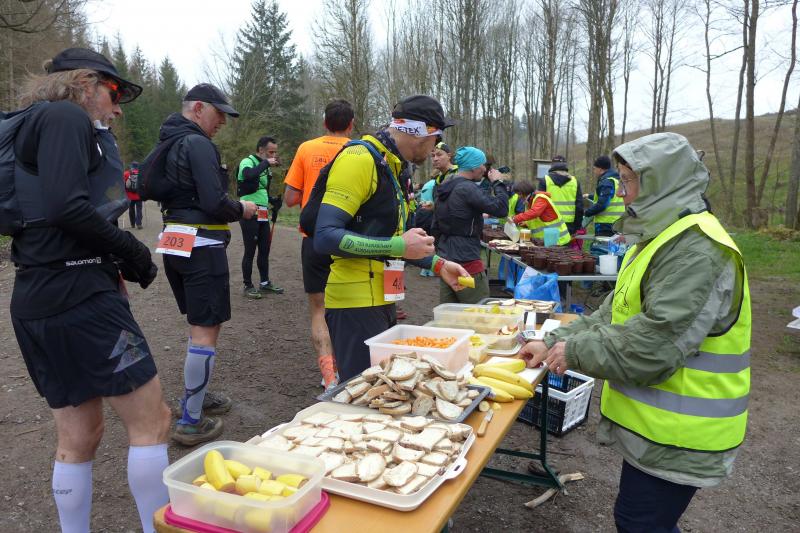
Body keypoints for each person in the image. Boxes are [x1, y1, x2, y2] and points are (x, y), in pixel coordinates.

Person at [520, 132, 751, 533]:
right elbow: (612, 314)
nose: (621, 191)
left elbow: (654, 347)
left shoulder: (696, 249)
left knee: (639, 524)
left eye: (628, 180)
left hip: (683, 434)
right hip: (658, 430)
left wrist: (573, 353)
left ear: (661, 182)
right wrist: (551, 341)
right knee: (642, 522)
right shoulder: (660, 238)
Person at [8, 48, 170, 533]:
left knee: (79, 434)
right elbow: (67, 208)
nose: (117, 108)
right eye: (113, 93)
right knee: (153, 422)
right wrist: (134, 252)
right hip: (83, 299)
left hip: (36, 297)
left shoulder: (33, 123)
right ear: (84, 84)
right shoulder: (65, 116)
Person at [313, 95, 470, 380]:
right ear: (421, 132)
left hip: (383, 298)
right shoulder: (359, 159)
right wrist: (399, 245)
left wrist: (437, 264)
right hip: (353, 304)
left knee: (385, 391)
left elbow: (394, 240)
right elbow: (325, 236)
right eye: (437, 137)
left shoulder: (392, 165)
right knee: (364, 396)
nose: (436, 147)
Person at [153, 83, 258, 445]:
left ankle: (195, 394)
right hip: (202, 244)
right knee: (205, 329)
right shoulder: (197, 143)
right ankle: (191, 420)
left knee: (199, 324)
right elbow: (214, 202)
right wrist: (242, 208)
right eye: (219, 114)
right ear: (198, 108)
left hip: (174, 240)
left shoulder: (169, 141)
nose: (222, 123)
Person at [284, 98, 354, 389]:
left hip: (314, 238)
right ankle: (352, 371)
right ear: (351, 125)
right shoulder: (360, 150)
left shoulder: (306, 149)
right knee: (351, 307)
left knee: (319, 309)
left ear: (325, 123)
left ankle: (329, 378)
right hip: (350, 239)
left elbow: (290, 198)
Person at [431, 146, 508, 303]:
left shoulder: (445, 185)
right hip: (467, 260)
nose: (484, 169)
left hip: (446, 258)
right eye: (482, 165)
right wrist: (498, 182)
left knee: (450, 312)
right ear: (473, 167)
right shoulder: (467, 188)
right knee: (478, 308)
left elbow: (435, 224)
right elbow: (501, 209)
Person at [237, 136, 285, 299]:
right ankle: (247, 285)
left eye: (275, 152)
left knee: (264, 249)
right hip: (249, 212)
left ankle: (264, 283)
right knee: (250, 250)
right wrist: (266, 163)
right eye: (271, 152)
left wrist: (273, 201)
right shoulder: (248, 161)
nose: (273, 155)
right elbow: (248, 176)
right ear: (260, 150)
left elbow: (260, 189)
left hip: (263, 212)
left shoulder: (266, 168)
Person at [538, 155, 583, 235]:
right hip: (569, 224)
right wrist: (577, 226)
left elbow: (539, 205)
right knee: (566, 243)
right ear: (565, 165)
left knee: (549, 243)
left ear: (552, 165)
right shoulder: (575, 182)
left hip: (550, 222)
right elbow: (579, 206)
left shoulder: (545, 180)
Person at [583, 155, 625, 237]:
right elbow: (609, 197)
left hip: (606, 225)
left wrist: (586, 213)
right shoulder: (616, 180)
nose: (594, 171)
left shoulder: (606, 182)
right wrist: (589, 196)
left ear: (600, 169)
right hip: (617, 222)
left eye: (595, 168)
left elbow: (602, 204)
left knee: (603, 245)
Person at [124, 161, 143, 229]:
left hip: (130, 196)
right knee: (139, 209)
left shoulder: (126, 173)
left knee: (131, 209)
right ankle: (139, 224)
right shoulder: (141, 173)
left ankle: (132, 224)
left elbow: (124, 184)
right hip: (139, 195)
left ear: (131, 166)